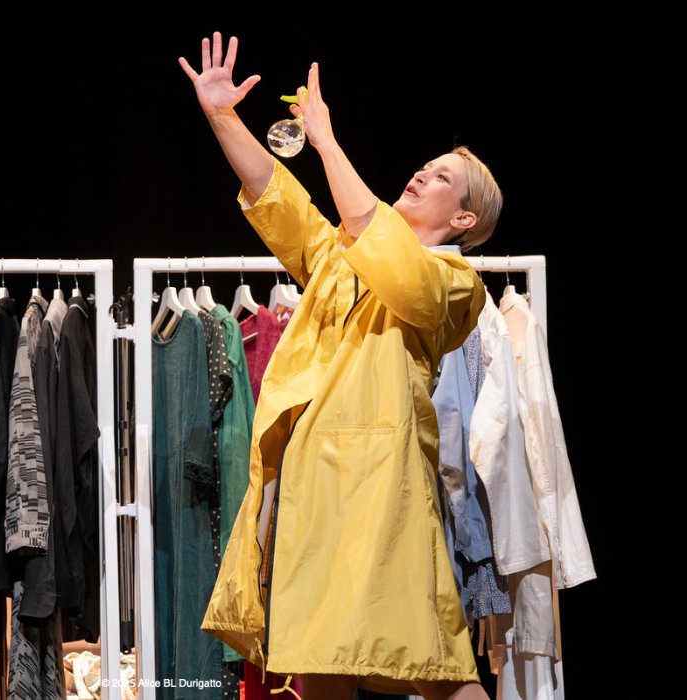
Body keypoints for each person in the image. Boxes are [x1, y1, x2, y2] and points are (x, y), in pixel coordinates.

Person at [179, 33, 502, 700]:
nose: (422, 175)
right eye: (425, 166)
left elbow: (384, 249)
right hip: (312, 489)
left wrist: (326, 142)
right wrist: (222, 116)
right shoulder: (339, 259)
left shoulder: (455, 283)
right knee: (319, 660)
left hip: (385, 493)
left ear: (465, 217)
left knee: (433, 663)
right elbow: (277, 196)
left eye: (442, 177)